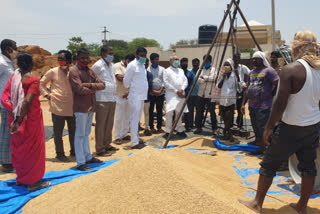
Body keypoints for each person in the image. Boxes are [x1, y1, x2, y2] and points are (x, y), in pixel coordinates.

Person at [239, 30, 320, 214]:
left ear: (297, 47)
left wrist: (269, 128)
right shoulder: (319, 69)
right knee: (308, 166)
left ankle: (257, 203)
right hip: (312, 126)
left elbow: (280, 104)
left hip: (291, 127)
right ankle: (302, 206)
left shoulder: (291, 70)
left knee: (268, 164)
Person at [1, 53, 50, 191]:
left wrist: (14, 112)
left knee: (20, 149)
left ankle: (21, 179)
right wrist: (20, 118)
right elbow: (28, 101)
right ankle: (32, 182)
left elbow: (5, 97)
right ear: (31, 64)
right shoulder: (33, 80)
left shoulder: (13, 78)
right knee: (33, 150)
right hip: (30, 121)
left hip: (15, 119)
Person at [69, 48, 105, 171]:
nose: (85, 60)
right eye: (82, 58)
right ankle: (80, 162)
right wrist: (94, 88)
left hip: (90, 106)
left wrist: (88, 85)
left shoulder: (90, 70)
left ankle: (88, 156)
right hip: (80, 106)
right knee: (79, 135)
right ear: (77, 59)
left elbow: (102, 85)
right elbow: (78, 89)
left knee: (86, 133)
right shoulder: (73, 71)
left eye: (86, 58)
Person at [40, 50, 75, 162]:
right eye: (59, 59)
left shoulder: (75, 72)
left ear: (70, 60)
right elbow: (41, 83)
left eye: (62, 59)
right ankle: (60, 154)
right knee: (58, 132)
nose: (60, 61)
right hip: (57, 105)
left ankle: (74, 151)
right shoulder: (53, 71)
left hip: (73, 105)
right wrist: (47, 95)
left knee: (74, 131)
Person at [241, 51, 279, 155]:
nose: (254, 60)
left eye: (256, 58)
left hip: (264, 105)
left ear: (262, 60)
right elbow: (247, 88)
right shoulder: (251, 72)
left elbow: (277, 83)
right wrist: (243, 104)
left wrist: (271, 94)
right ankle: (260, 145)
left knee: (264, 127)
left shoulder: (269, 71)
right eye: (253, 58)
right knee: (255, 127)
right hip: (252, 105)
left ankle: (268, 150)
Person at [92, 46, 118, 157]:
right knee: (101, 125)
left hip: (112, 98)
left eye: (112, 53)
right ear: (103, 53)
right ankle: (100, 148)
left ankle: (107, 144)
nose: (111, 56)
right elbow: (92, 79)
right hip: (101, 98)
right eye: (109, 53)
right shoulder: (97, 65)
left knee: (109, 124)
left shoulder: (112, 66)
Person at [123, 47, 149, 149]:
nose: (143, 57)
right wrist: (132, 89)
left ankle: (136, 139)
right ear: (137, 55)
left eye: (145, 56)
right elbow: (126, 82)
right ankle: (134, 143)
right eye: (141, 55)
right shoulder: (132, 65)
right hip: (135, 96)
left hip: (142, 96)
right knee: (134, 119)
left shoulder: (142, 65)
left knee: (137, 119)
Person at [0, 39, 17, 173]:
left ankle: (11, 159)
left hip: (12, 102)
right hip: (5, 103)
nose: (15, 50)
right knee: (6, 132)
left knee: (12, 131)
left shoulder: (9, 62)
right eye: (14, 48)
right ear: (7, 49)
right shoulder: (1, 63)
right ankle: (6, 162)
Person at [163, 55, 188, 138]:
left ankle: (179, 129)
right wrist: (176, 90)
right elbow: (166, 83)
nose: (177, 61)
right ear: (170, 61)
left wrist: (182, 89)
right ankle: (168, 131)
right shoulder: (166, 71)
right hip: (171, 95)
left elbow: (185, 81)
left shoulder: (181, 71)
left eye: (178, 59)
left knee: (179, 112)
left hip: (181, 94)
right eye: (175, 59)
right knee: (169, 112)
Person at [113, 54, 135, 145]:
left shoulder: (132, 67)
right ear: (126, 60)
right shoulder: (117, 66)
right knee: (119, 117)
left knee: (127, 117)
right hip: (119, 95)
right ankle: (117, 136)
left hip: (129, 95)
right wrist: (130, 78)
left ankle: (124, 134)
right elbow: (119, 77)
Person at [217, 59, 240, 142]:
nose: (226, 67)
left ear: (231, 66)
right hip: (223, 100)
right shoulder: (222, 75)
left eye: (228, 65)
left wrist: (238, 77)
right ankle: (228, 133)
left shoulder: (234, 76)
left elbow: (239, 87)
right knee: (224, 117)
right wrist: (223, 77)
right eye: (225, 65)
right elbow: (218, 86)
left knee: (229, 117)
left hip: (231, 100)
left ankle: (226, 131)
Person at [194, 54, 218, 135]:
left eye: (207, 61)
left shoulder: (214, 70)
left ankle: (214, 128)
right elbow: (197, 79)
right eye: (204, 61)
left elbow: (214, 78)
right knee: (199, 111)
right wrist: (206, 79)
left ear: (210, 62)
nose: (205, 63)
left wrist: (204, 77)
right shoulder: (200, 69)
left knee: (212, 112)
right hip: (201, 94)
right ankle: (199, 127)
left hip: (210, 94)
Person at [148, 53, 165, 134]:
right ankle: (151, 127)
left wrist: (160, 90)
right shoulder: (147, 69)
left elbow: (164, 81)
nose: (157, 61)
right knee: (150, 111)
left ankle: (159, 127)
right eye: (155, 59)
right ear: (151, 60)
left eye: (158, 59)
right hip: (151, 94)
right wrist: (152, 90)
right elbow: (147, 82)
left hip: (160, 94)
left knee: (159, 111)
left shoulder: (162, 69)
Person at [233, 53, 250, 130]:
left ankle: (240, 124)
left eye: (237, 59)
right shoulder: (230, 67)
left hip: (240, 90)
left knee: (240, 108)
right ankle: (230, 124)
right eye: (235, 59)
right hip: (232, 91)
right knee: (231, 108)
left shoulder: (243, 67)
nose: (236, 61)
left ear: (239, 59)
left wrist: (247, 83)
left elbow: (250, 74)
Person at [180, 57, 194, 132]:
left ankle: (187, 126)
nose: (185, 64)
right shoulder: (178, 73)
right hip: (179, 95)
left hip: (187, 95)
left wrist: (187, 93)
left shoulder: (190, 73)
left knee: (187, 111)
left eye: (186, 62)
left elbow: (191, 84)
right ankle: (176, 126)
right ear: (180, 63)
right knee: (178, 111)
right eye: (184, 62)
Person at [188, 58, 200, 130]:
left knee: (198, 110)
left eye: (197, 63)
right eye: (194, 63)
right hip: (190, 94)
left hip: (199, 94)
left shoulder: (201, 71)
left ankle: (197, 124)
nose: (195, 64)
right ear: (192, 64)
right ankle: (190, 124)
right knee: (190, 110)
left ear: (199, 64)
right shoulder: (189, 71)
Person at [143, 58, 153, 136]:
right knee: (136, 114)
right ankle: (135, 128)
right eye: (144, 64)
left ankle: (146, 128)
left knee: (147, 113)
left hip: (146, 97)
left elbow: (149, 85)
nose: (145, 65)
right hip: (137, 98)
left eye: (146, 64)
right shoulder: (137, 73)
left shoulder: (149, 74)